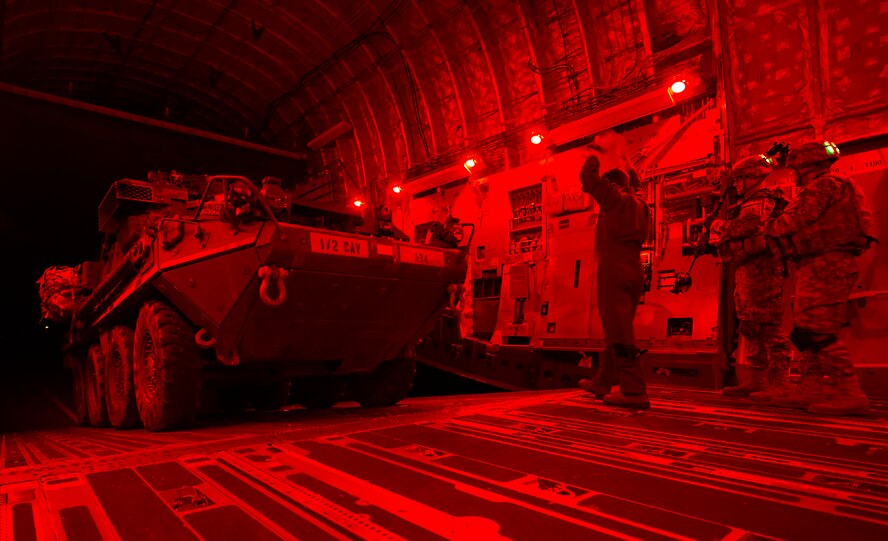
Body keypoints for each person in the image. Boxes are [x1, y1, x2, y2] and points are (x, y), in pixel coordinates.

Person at [766, 141, 878, 415]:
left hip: (826, 263)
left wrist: (768, 227)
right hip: (824, 263)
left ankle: (848, 392)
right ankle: (810, 388)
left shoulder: (822, 186)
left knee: (817, 330)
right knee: (806, 330)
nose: (796, 175)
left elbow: (790, 221)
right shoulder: (839, 185)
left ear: (807, 166)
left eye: (797, 169)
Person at [708, 154, 792, 401]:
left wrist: (718, 226)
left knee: (769, 326)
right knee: (751, 326)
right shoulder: (749, 201)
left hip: (763, 269)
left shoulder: (760, 200)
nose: (737, 185)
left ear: (755, 176)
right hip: (748, 269)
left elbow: (750, 227)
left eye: (741, 179)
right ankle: (758, 381)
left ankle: (780, 383)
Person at [577, 155, 652, 409]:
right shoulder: (641, 203)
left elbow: (589, 180)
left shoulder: (615, 200)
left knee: (619, 331)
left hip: (614, 267)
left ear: (613, 186)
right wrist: (631, 170)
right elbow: (639, 186)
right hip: (634, 268)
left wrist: (593, 157)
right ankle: (603, 380)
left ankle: (634, 391)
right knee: (617, 326)